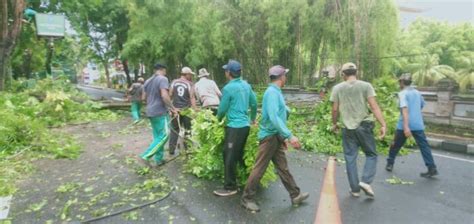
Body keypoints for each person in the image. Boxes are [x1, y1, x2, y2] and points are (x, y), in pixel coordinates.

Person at [241, 65, 309, 212]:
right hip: (269, 137)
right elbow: (273, 117)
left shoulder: (276, 92)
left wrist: (282, 136)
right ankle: (247, 198)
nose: (286, 78)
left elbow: (279, 114)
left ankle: (295, 194)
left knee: (283, 167)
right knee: (259, 168)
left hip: (275, 136)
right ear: (281, 77)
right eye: (285, 75)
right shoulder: (271, 93)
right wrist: (289, 136)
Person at [330, 62, 386, 199]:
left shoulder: (337, 88)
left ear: (343, 74)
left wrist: (335, 123)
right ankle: (366, 181)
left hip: (347, 128)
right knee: (371, 154)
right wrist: (383, 124)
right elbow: (374, 106)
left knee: (350, 158)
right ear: (356, 72)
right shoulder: (366, 86)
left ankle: (355, 190)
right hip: (364, 126)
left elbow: (335, 109)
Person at [213, 59, 257, 197]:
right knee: (239, 153)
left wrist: (218, 120)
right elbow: (254, 104)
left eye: (226, 70)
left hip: (234, 128)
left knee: (229, 156)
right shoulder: (246, 85)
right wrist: (252, 120)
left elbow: (222, 109)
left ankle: (230, 186)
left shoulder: (228, 88)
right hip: (245, 126)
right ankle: (248, 179)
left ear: (229, 73)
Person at [386, 73, 438, 177]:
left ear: (401, 82)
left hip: (404, 125)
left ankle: (390, 163)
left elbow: (404, 110)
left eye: (399, 82)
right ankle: (431, 167)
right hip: (418, 124)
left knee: (395, 144)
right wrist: (415, 113)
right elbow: (422, 105)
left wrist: (406, 127)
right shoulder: (417, 92)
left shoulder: (402, 94)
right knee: (424, 146)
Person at [140, 63, 176, 166]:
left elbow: (143, 98)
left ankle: (159, 160)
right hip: (159, 111)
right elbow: (164, 95)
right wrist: (172, 108)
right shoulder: (162, 79)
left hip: (150, 111)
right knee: (165, 135)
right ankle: (145, 156)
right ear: (163, 70)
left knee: (158, 136)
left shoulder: (147, 81)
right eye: (165, 71)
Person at [169, 67, 197, 155]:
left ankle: (171, 150)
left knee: (174, 129)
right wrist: (195, 110)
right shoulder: (190, 84)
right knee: (188, 130)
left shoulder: (174, 82)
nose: (191, 76)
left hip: (175, 110)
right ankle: (188, 149)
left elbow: (170, 94)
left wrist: (171, 108)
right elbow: (192, 98)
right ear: (187, 74)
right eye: (190, 75)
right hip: (186, 110)